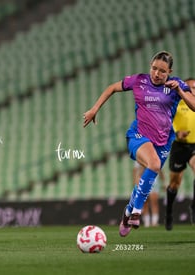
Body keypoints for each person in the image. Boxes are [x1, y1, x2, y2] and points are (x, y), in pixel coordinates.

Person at [83, 51, 195, 237]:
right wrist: (94, 109)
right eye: (154, 68)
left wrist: (180, 92)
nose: (156, 74)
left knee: (148, 177)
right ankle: (136, 212)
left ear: (170, 72)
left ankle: (127, 212)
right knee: (154, 165)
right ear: (150, 66)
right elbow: (112, 88)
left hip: (163, 141)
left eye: (162, 71)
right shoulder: (139, 81)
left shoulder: (176, 85)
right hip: (138, 136)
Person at [165, 78, 195, 230]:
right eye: (190, 87)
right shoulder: (177, 104)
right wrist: (177, 133)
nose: (193, 90)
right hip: (179, 146)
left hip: (194, 146)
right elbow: (167, 123)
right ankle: (169, 211)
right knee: (175, 183)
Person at [133, 161, 164, 227]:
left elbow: (159, 169)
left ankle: (154, 222)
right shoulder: (138, 158)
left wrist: (163, 181)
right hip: (142, 181)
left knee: (154, 202)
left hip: (153, 180)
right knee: (144, 203)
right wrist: (135, 182)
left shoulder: (156, 156)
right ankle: (147, 222)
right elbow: (136, 171)